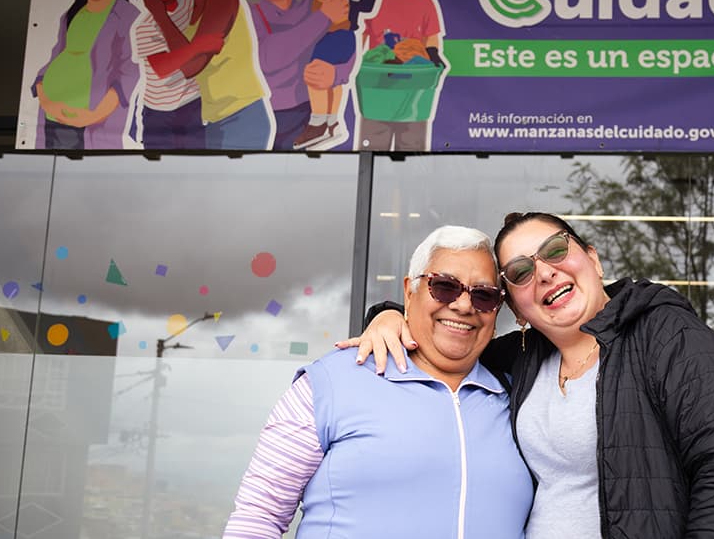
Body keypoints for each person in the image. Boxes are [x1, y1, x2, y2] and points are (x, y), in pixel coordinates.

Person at [353, 212, 714, 538]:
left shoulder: (665, 332)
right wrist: (389, 316)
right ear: (516, 308)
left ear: (593, 258)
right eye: (520, 272)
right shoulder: (522, 357)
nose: (543, 272)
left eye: (555, 250)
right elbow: (449, 334)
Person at [224, 225, 533, 538]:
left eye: (483, 295)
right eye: (444, 286)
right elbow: (258, 517)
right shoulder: (331, 383)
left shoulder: (516, 398)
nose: (464, 306)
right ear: (409, 291)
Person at [151, 0, 273, 150]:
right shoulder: (194, 2)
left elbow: (191, 66)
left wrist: (159, 14)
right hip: (217, 116)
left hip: (241, 114)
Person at [242, 0, 350, 150]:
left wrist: (336, 73)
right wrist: (323, 17)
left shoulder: (312, 0)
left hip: (311, 111)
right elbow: (266, 58)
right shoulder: (245, 9)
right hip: (263, 113)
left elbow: (345, 42)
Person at [33, 0, 139, 149]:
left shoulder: (127, 16)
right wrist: (44, 97)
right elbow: (55, 57)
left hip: (90, 120)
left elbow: (128, 72)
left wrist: (93, 116)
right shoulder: (71, 15)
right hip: (52, 115)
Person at [356, 0, 445, 151]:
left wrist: (432, 55)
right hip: (378, 88)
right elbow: (359, 39)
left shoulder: (425, 1)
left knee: (413, 155)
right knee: (372, 153)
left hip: (414, 90)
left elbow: (432, 38)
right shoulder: (371, 0)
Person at [293, 0, 377, 150]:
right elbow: (303, 1)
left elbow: (368, 1)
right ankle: (333, 121)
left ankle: (317, 122)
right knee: (331, 81)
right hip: (319, 36)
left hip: (340, 36)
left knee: (316, 75)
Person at [131, 0, 216, 149]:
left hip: (193, 101)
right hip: (159, 111)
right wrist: (198, 47)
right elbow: (163, 67)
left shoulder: (191, 2)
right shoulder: (145, 26)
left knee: (197, 157)